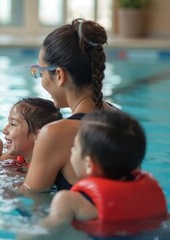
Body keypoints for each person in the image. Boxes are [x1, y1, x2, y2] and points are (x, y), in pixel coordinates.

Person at [21, 18, 118, 193]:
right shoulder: (122, 120)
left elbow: (29, 199)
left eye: (40, 72)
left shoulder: (54, 134)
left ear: (59, 75)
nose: (41, 81)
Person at [36, 110, 168, 238]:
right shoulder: (148, 194)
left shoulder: (69, 201)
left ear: (89, 164)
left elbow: (43, 233)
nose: (71, 150)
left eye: (75, 147)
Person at [0, 97, 63, 170]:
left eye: (13, 124)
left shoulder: (41, 170)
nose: (4, 130)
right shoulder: (19, 154)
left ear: (38, 135)